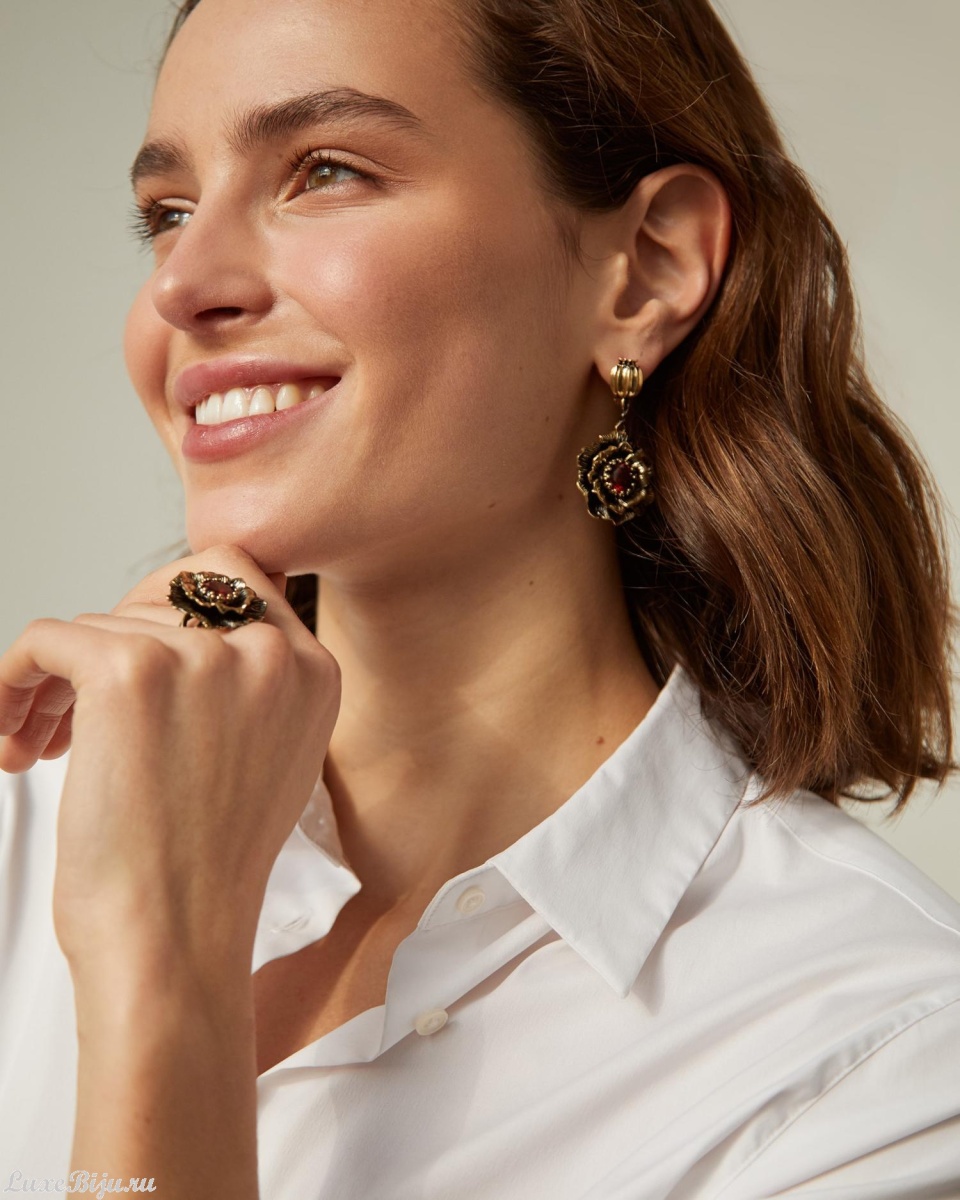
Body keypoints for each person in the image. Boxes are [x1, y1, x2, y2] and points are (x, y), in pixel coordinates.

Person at [1, 0, 958, 1196]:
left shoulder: (877, 1067)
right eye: (169, 213)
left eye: (325, 171)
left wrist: (164, 968)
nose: (183, 285)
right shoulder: (22, 829)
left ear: (649, 266)